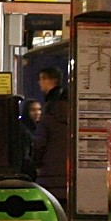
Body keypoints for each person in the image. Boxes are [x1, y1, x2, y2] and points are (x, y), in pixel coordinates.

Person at [28, 65, 73, 195]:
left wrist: (35, 163)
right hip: (70, 175)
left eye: (41, 79)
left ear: (48, 80)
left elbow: (40, 145)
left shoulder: (49, 112)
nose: (39, 83)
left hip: (49, 176)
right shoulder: (71, 109)